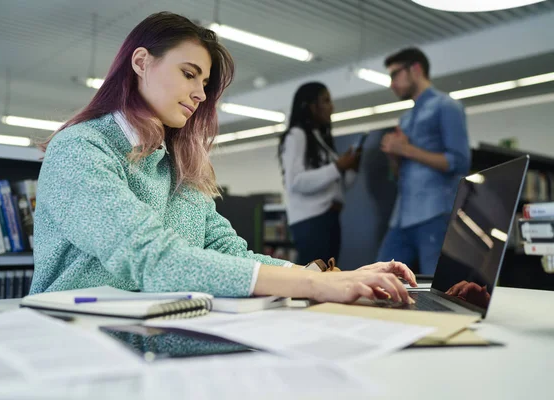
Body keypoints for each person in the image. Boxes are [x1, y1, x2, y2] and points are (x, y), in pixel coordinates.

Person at [32, 12, 416, 305]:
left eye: (204, 83)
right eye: (189, 74)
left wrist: (331, 277)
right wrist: (314, 284)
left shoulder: (176, 163)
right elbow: (152, 258)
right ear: (141, 62)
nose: (200, 94)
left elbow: (228, 251)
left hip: (160, 329)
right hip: (79, 340)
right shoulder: (80, 149)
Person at [378, 48, 471, 275]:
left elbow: (460, 162)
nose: (391, 84)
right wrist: (394, 156)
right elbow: (400, 173)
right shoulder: (406, 118)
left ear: (416, 69)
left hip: (434, 213)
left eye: (394, 75)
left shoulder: (447, 106)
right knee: (377, 280)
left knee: (437, 287)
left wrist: (406, 149)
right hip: (401, 216)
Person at [278, 82, 361, 265]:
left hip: (328, 219)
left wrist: (351, 167)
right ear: (310, 106)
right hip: (311, 222)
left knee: (326, 277)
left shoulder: (320, 139)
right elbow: (296, 182)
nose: (332, 107)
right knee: (315, 280)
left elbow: (339, 186)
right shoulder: (297, 135)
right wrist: (338, 166)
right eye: (325, 100)